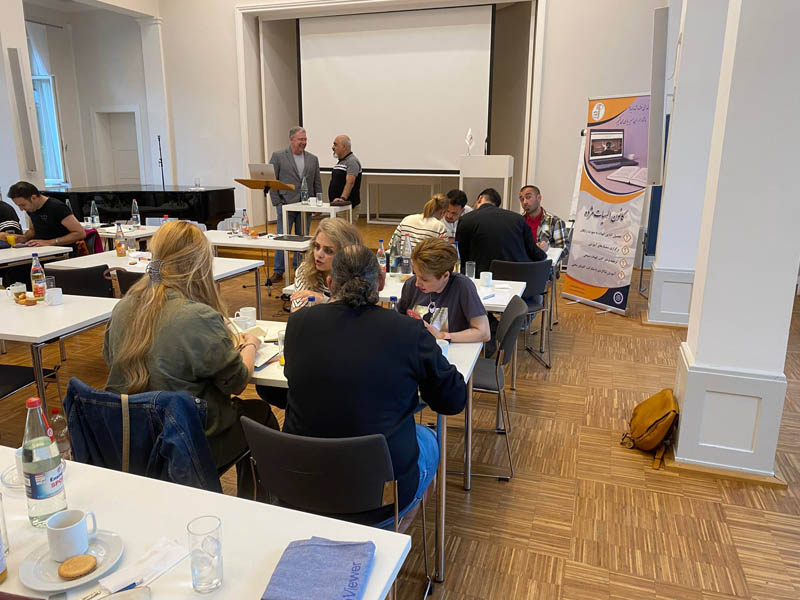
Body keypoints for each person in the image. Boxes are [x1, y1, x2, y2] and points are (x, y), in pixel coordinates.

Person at [282, 245, 466, 525]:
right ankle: (391, 537)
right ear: (380, 281)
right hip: (379, 496)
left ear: (330, 283)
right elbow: (452, 400)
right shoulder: (408, 331)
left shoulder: (298, 323)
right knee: (429, 439)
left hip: (301, 483)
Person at [102, 221, 274, 498]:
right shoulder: (197, 317)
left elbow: (111, 360)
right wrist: (250, 344)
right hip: (186, 442)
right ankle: (254, 505)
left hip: (131, 439)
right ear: (199, 263)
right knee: (259, 416)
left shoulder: (123, 307)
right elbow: (237, 382)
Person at [397, 238, 490, 343]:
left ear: (445, 276)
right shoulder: (411, 285)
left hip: (453, 350)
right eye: (416, 275)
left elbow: (484, 332)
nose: (417, 283)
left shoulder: (462, 287)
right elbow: (399, 320)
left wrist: (442, 336)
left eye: (424, 279)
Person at [268, 126, 323, 284]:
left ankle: (299, 269)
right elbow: (272, 180)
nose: (303, 142)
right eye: (300, 139)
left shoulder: (313, 159)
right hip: (286, 205)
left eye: (305, 139)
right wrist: (277, 203)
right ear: (291, 139)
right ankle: (278, 271)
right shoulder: (278, 156)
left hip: (306, 206)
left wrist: (317, 203)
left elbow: (317, 182)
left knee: (303, 238)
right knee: (282, 237)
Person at [455, 187, 546, 275]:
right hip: (517, 277)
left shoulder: (466, 219)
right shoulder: (518, 219)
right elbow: (534, 252)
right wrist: (543, 251)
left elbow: (461, 255)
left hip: (482, 277)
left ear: (480, 199)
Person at [289, 217, 362, 311]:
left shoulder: (357, 276)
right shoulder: (305, 270)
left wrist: (323, 300)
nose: (319, 254)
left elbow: (355, 315)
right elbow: (296, 314)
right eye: (317, 247)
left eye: (328, 251)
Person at [8, 181, 85, 253]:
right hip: (41, 250)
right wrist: (24, 237)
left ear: (33, 197)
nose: (21, 209)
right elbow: (32, 230)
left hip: (61, 251)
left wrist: (50, 242)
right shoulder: (31, 209)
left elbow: (80, 233)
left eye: (23, 205)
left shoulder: (57, 207)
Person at [519, 185, 568, 251]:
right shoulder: (518, 221)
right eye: (521, 199)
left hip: (545, 257)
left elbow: (564, 250)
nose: (524, 202)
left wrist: (547, 250)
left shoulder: (555, 222)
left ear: (539, 198)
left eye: (528, 197)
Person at [328, 135, 363, 221]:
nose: (333, 147)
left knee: (345, 230)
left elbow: (350, 182)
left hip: (346, 207)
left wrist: (342, 199)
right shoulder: (341, 161)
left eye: (335, 144)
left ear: (344, 147)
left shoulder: (352, 161)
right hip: (338, 207)